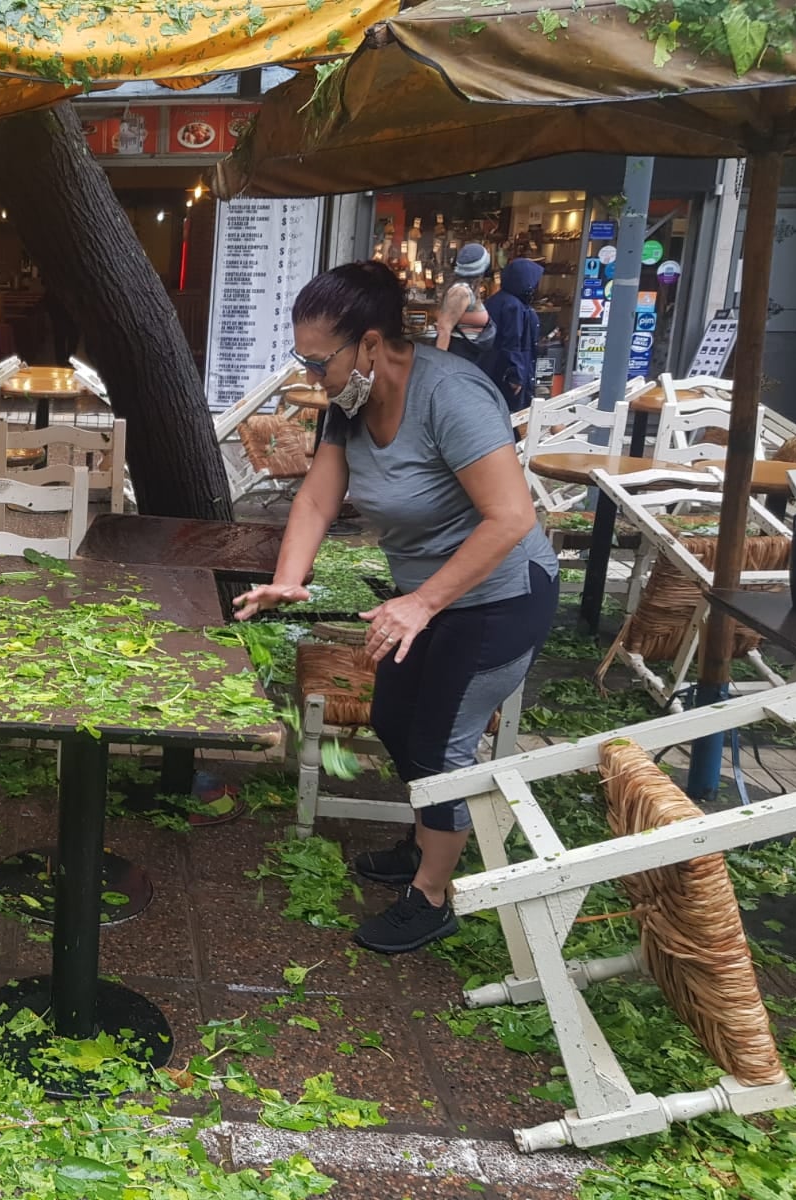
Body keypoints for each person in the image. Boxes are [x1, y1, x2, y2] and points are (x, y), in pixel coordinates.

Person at [234, 261, 558, 955]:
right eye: (304, 358)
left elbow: (509, 517)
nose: (313, 375)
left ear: (373, 344)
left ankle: (434, 896)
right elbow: (318, 497)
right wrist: (290, 579)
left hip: (501, 594)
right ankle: (423, 842)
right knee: (393, 719)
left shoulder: (454, 398)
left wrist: (422, 603)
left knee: (441, 743)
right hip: (426, 600)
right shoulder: (350, 406)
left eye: (320, 361)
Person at [480, 257, 544, 413]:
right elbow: (512, 341)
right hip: (506, 371)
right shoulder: (513, 306)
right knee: (511, 413)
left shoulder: (497, 300)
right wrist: (515, 376)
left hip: (492, 365)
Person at [432, 242, 495, 365]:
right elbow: (444, 328)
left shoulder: (467, 290)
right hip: (459, 357)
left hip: (467, 357)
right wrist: (439, 366)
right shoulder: (460, 292)